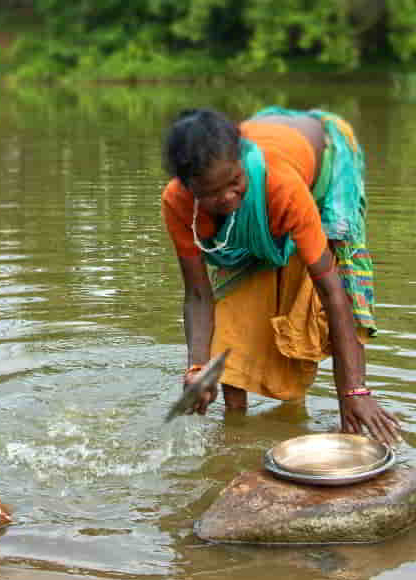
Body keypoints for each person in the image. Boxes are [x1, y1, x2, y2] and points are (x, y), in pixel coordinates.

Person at [160, 107, 401, 445]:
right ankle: (235, 433)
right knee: (235, 299)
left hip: (324, 166)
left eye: (234, 182)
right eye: (214, 194)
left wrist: (353, 391)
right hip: (275, 159)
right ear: (189, 188)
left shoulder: (280, 184)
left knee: (317, 286)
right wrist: (197, 369)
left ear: (242, 159)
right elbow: (199, 295)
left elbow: (333, 292)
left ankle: (322, 408)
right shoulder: (178, 202)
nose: (228, 196)